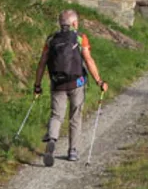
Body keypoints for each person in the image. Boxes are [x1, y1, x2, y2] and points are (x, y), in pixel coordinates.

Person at [33, 9, 107, 167]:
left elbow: (42, 63)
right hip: (76, 84)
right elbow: (88, 59)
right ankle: (73, 151)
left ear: (61, 23)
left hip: (57, 83)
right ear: (74, 23)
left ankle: (52, 139)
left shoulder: (51, 39)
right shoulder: (80, 38)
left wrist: (37, 85)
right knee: (75, 116)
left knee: (56, 115)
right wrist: (99, 81)